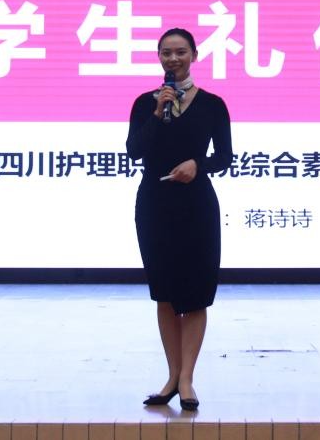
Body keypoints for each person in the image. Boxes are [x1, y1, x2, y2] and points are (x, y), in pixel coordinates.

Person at [126, 27, 233, 411]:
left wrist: (197, 165)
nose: (173, 59)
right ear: (159, 57)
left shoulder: (213, 104)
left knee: (196, 292)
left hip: (197, 205)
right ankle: (172, 376)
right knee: (166, 292)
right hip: (155, 205)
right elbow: (134, 150)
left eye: (181, 52)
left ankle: (187, 379)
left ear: (194, 55)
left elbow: (225, 157)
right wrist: (158, 114)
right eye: (166, 52)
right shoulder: (146, 103)